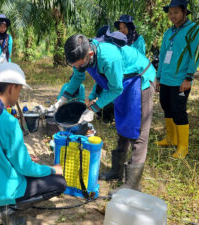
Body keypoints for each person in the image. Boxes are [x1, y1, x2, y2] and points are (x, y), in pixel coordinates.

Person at [0, 63, 66, 225]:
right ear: (12, 87)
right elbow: (25, 168)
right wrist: (54, 169)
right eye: (20, 89)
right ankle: (4, 209)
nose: (19, 94)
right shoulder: (8, 121)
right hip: (0, 192)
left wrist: (23, 155)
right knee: (59, 183)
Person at [56, 32, 156, 193]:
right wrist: (62, 99)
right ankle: (116, 171)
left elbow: (116, 88)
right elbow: (77, 78)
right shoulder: (83, 56)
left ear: (89, 54)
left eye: (78, 64)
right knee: (123, 124)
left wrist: (93, 109)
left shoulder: (109, 58)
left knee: (137, 131)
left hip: (139, 80)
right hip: (121, 82)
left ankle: (132, 184)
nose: (77, 67)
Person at [156, 0, 199, 159]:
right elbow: (162, 56)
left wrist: (188, 77)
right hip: (166, 79)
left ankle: (183, 147)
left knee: (178, 111)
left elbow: (195, 55)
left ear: (184, 11)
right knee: (166, 107)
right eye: (170, 13)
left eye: (175, 12)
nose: (172, 16)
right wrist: (158, 77)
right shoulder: (168, 32)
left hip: (180, 80)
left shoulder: (194, 30)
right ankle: (170, 139)